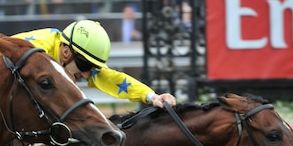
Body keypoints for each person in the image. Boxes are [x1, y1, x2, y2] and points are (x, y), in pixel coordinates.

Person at [10, 20, 176, 108]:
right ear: (66, 53)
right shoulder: (40, 45)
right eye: (86, 66)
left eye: (94, 68)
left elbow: (114, 79)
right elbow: (3, 48)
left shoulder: (76, 57)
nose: (87, 75)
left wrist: (152, 96)